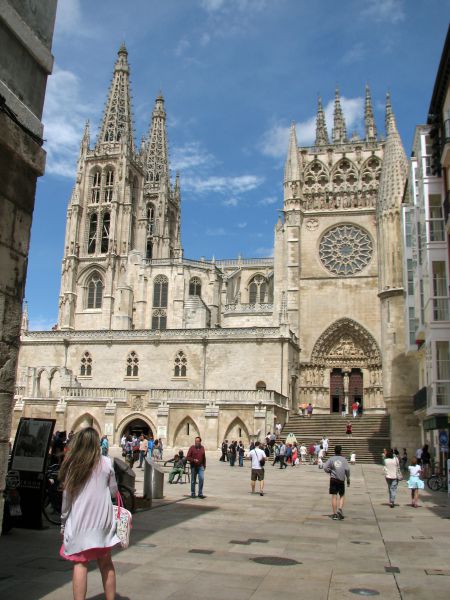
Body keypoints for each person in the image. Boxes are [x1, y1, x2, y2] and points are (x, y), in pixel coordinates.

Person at [59, 427, 120, 600]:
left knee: (80, 564)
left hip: (80, 520)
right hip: (102, 520)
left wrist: (63, 522)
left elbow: (66, 498)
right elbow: (114, 492)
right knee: (106, 563)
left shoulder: (72, 465)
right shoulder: (107, 462)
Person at [323, 445, 350, 520]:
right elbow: (347, 469)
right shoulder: (344, 459)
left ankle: (335, 514)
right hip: (341, 479)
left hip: (333, 479)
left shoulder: (331, 459)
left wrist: (330, 471)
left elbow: (325, 467)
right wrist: (348, 478)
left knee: (334, 496)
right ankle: (340, 509)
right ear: (341, 451)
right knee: (342, 495)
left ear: (334, 451)